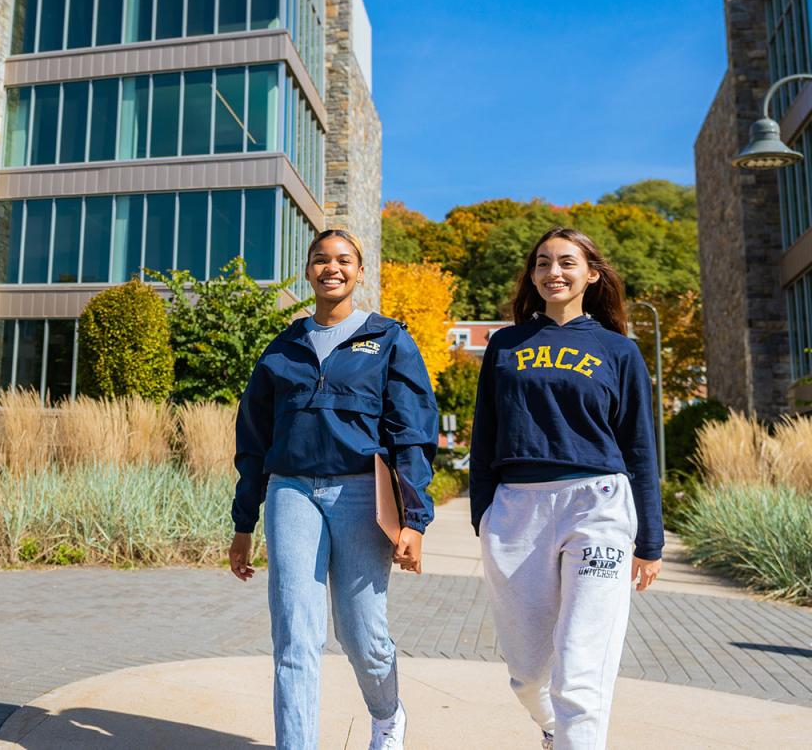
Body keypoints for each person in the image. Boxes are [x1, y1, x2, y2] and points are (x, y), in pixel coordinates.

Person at [229, 229, 439, 750]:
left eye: (344, 260)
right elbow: (253, 439)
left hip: (361, 496)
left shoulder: (389, 338)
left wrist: (415, 518)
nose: (332, 267)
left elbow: (412, 431)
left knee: (361, 636)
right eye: (320, 259)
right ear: (308, 271)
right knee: (296, 637)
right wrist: (242, 522)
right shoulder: (284, 346)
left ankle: (388, 715)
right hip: (291, 492)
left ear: (360, 272)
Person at [469, 227, 663, 750]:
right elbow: (483, 434)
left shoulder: (618, 351)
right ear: (532, 276)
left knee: (580, 672)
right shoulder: (506, 345)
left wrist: (651, 541)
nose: (553, 272)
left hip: (596, 505)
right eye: (542, 263)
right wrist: (484, 517)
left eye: (566, 262)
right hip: (516, 510)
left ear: (591, 274)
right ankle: (553, 729)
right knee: (529, 674)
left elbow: (640, 449)